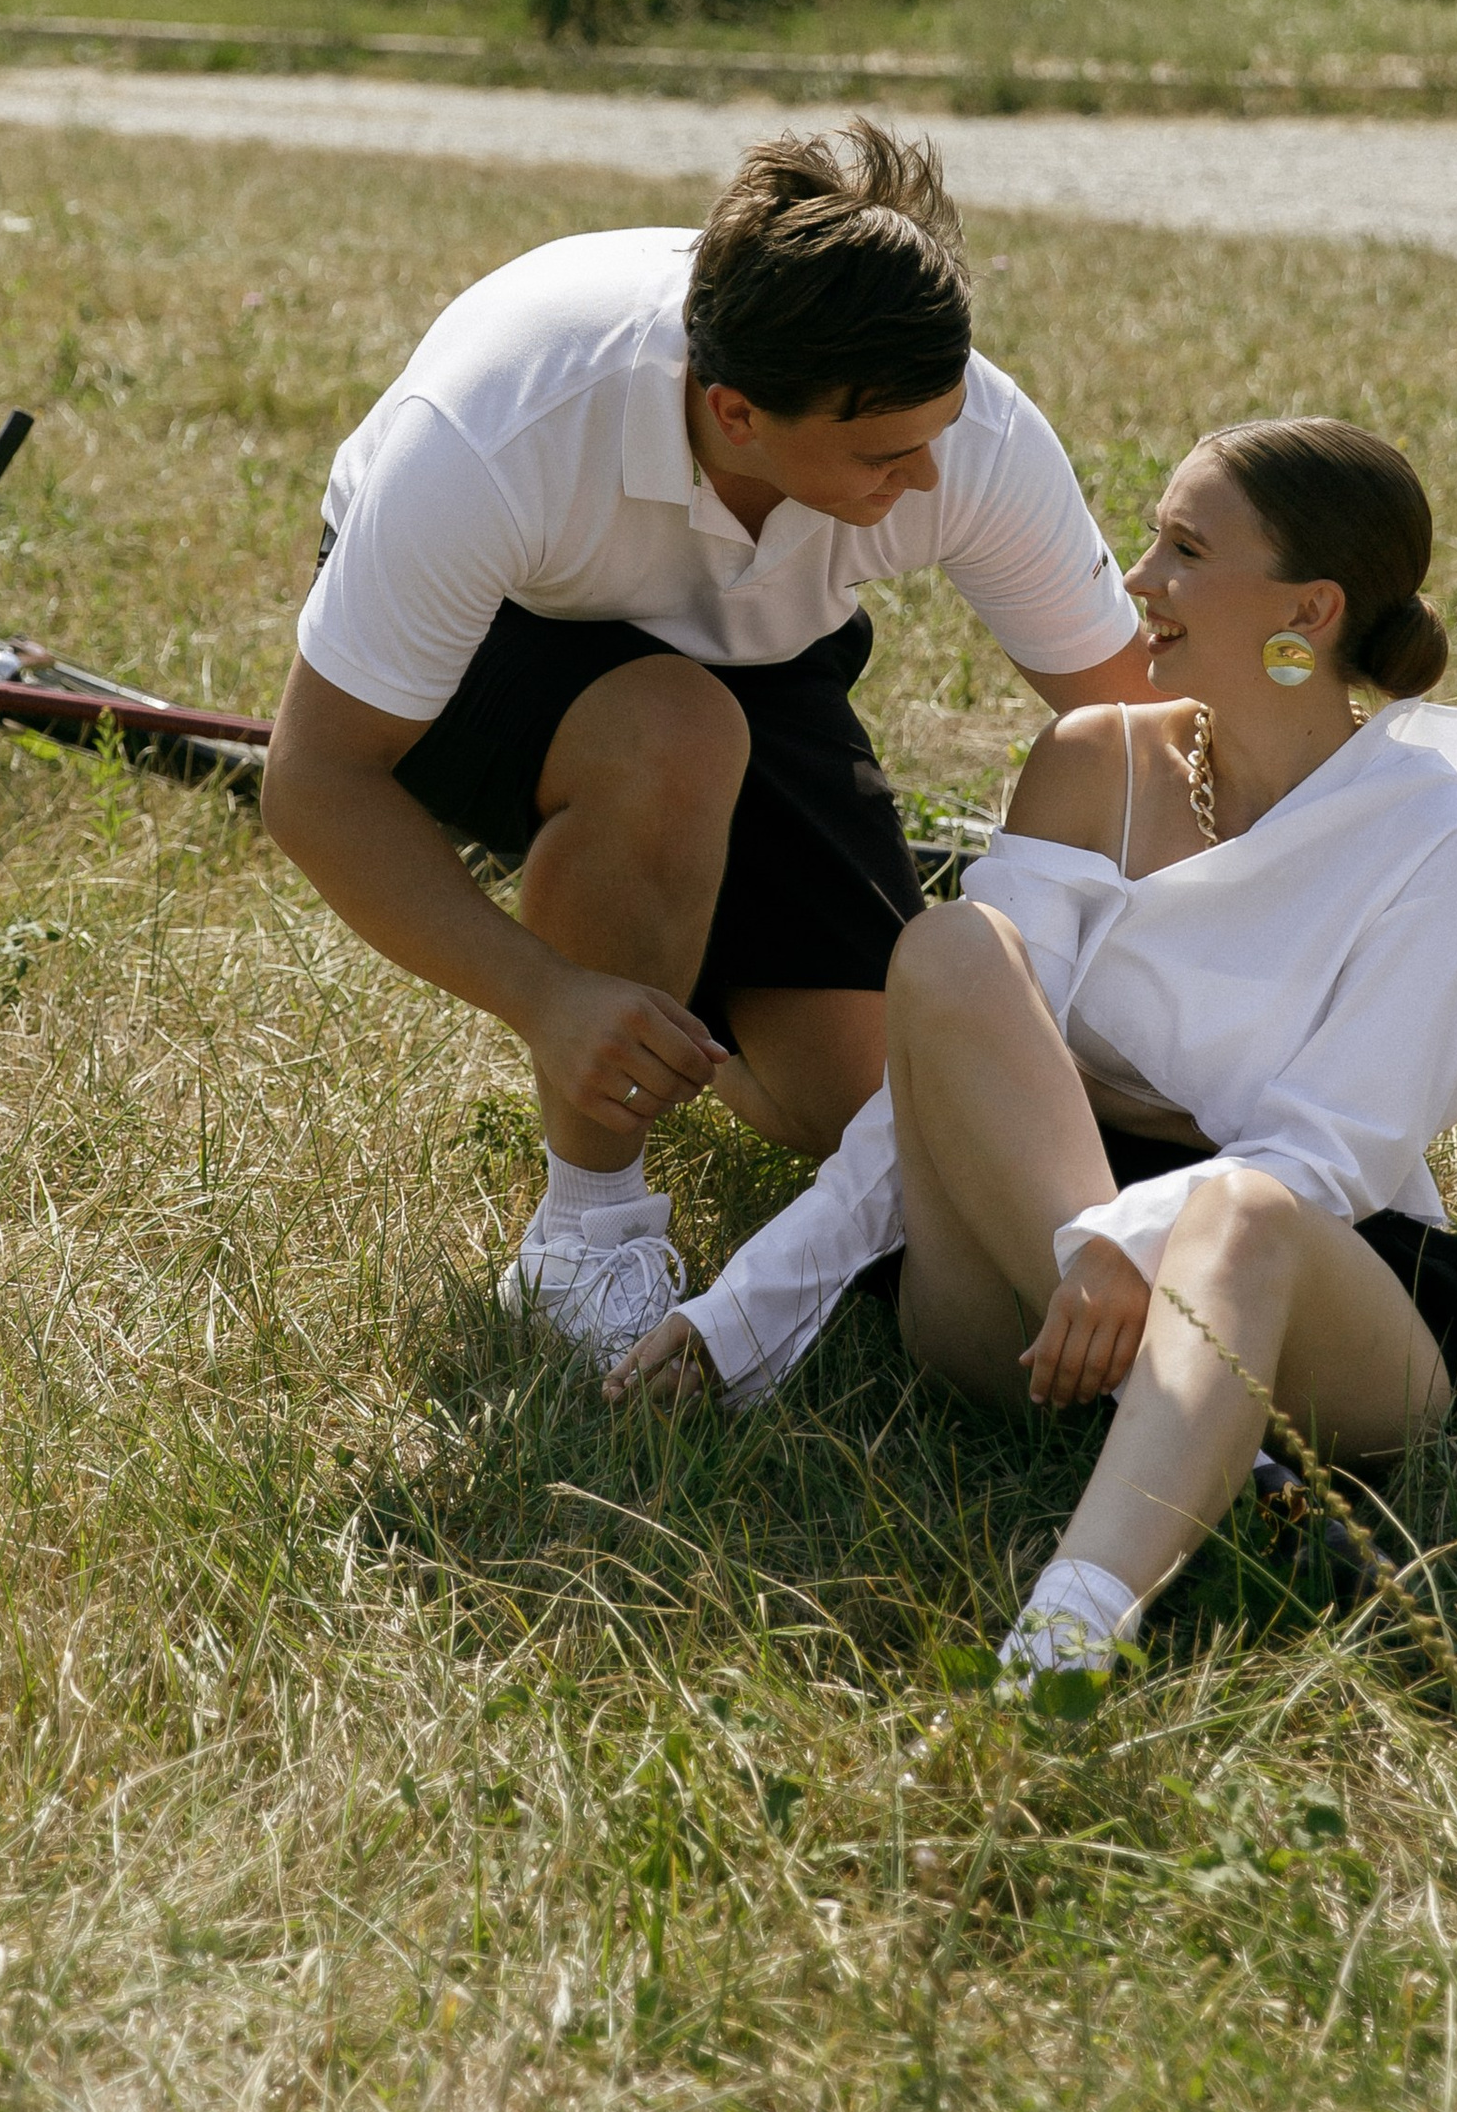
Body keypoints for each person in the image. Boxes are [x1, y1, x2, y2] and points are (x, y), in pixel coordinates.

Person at [611, 417, 1457, 1694]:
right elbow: (938, 1082)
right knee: (950, 948)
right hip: (1021, 1294)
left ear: (1310, 608)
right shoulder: (1090, 763)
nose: (1137, 580)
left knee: (1242, 1208)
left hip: (1305, 1309)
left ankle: (1063, 1642)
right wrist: (742, 1310)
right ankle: (1217, 1471)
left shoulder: (1443, 846)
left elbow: (1327, 1154)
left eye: (1183, 548)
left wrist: (1133, 1232)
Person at [260, 121, 1150, 1367]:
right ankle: (585, 1234)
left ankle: (670, 981)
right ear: (734, 410)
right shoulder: (497, 431)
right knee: (671, 734)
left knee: (861, 1106)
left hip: (753, 646)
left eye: (940, 430)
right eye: (886, 455)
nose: (932, 472)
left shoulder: (957, 437)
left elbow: (1131, 719)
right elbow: (312, 784)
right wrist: (551, 995)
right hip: (506, 638)